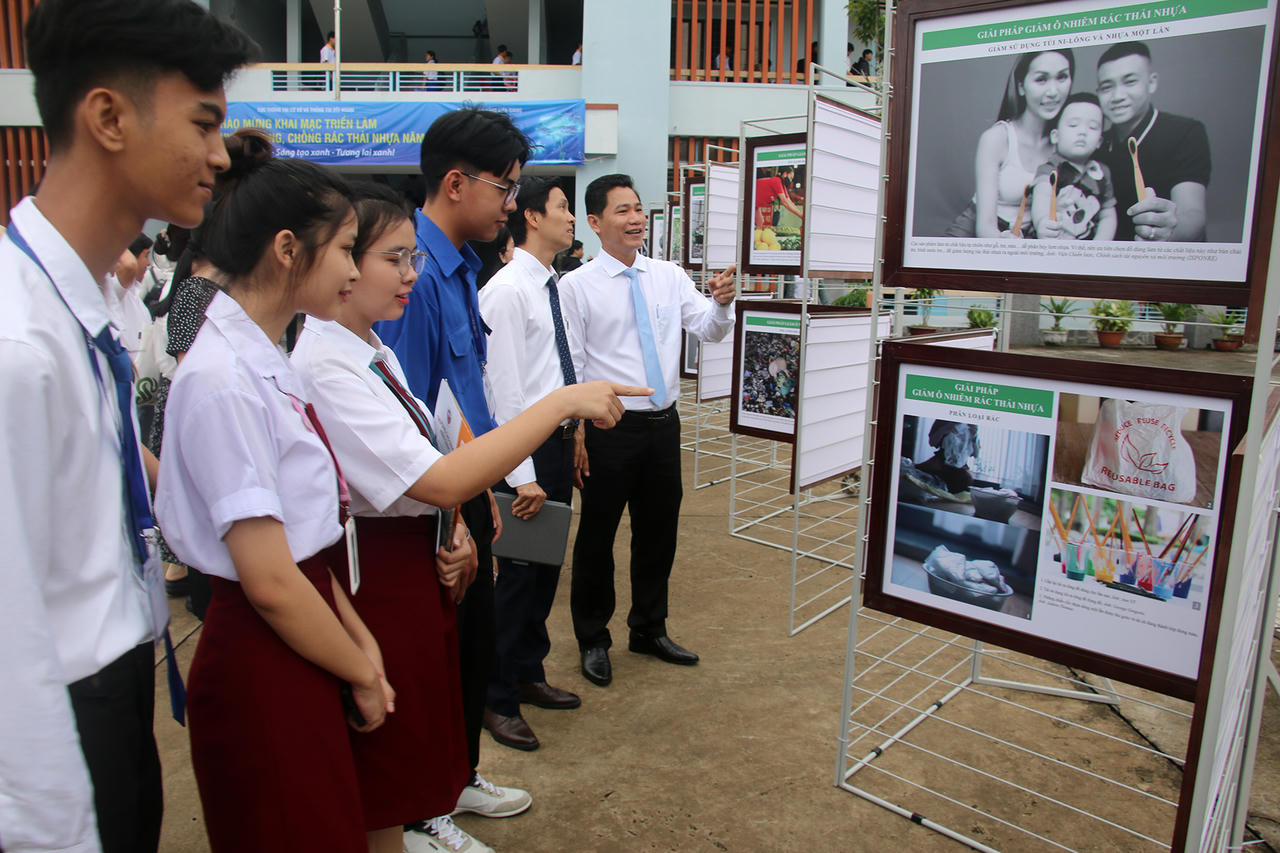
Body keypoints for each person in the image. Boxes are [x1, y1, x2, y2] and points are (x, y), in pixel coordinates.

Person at [295, 181, 641, 853]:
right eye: (388, 258)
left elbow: (437, 434)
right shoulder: (325, 362)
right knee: (386, 749)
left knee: (416, 730)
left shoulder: (372, 348)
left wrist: (454, 521)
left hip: (421, 549)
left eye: (410, 258)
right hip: (375, 571)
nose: (409, 274)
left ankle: (432, 804)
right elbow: (433, 469)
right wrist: (563, 404)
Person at [0, 2, 254, 852]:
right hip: (60, 704)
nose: (218, 157)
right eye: (205, 124)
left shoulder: (90, 302)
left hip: (116, 680)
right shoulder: (20, 340)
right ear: (108, 117)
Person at [156, 130, 395, 852]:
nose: (355, 270)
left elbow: (306, 542)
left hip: (302, 630)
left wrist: (361, 644)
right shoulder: (222, 376)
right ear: (289, 249)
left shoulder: (266, 354)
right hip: (264, 656)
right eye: (348, 248)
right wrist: (360, 666)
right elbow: (267, 579)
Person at [373, 106, 536, 850]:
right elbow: (404, 409)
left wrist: (484, 491)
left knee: (472, 641)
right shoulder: (411, 270)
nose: (513, 204)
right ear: (454, 182)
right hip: (426, 488)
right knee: (434, 651)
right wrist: (454, 513)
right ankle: (421, 807)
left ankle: (455, 774)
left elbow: (455, 393)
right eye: (506, 188)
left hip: (460, 479)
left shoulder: (461, 266)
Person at [559, 173, 737, 688]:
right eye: (622, 210)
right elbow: (570, 364)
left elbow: (707, 328)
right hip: (607, 427)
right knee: (597, 537)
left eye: (638, 208)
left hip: (663, 427)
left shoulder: (668, 275)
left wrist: (722, 301)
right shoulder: (576, 287)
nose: (635, 218)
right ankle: (593, 637)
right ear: (594, 223)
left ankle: (649, 628)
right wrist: (577, 431)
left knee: (658, 533)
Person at [477, 177, 581, 751]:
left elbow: (558, 372)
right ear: (533, 218)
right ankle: (496, 698)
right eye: (564, 208)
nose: (572, 219)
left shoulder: (551, 285)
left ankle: (528, 673)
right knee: (515, 577)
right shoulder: (507, 290)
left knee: (544, 571)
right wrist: (523, 475)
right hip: (525, 451)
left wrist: (575, 433)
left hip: (557, 443)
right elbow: (504, 392)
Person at [945, 49, 1074, 239]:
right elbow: (985, 227)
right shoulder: (996, 138)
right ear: (1021, 86)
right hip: (977, 236)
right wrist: (1006, 245)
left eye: (1062, 77)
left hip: (1025, 240)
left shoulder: (1068, 141)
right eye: (1041, 79)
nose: (1053, 92)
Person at [1094, 41, 1208, 242]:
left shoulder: (1184, 132)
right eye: (1106, 87)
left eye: (1129, 82)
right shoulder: (1097, 145)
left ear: (1152, 82)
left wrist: (1167, 233)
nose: (1117, 96)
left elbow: (1193, 214)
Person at [1030, 93, 1116, 241]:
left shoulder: (1102, 172)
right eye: (1073, 125)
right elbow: (1042, 198)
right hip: (1054, 244)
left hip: (1087, 250)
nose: (1082, 132)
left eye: (1092, 127)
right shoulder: (1050, 169)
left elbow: (1108, 213)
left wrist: (1101, 244)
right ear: (1055, 136)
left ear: (1099, 141)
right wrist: (1042, 222)